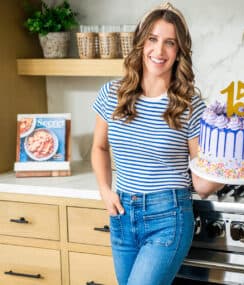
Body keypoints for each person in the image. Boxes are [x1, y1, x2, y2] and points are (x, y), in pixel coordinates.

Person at [91, 2, 223, 284]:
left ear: (179, 53)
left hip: (168, 218)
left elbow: (201, 183)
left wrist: (223, 172)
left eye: (170, 43)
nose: (159, 51)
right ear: (140, 43)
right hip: (122, 216)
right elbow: (99, 148)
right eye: (152, 39)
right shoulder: (112, 93)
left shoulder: (190, 106)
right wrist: (104, 190)